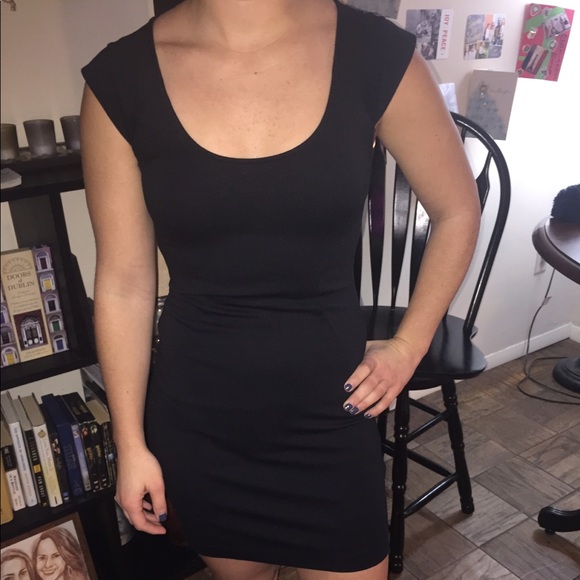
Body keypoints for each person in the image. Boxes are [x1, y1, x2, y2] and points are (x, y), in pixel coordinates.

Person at [80, 0, 480, 578]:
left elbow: (457, 210)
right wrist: (130, 443)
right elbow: (123, 283)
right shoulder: (121, 79)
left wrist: (408, 346)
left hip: (331, 413)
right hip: (201, 423)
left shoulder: (374, 53)